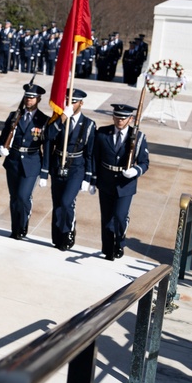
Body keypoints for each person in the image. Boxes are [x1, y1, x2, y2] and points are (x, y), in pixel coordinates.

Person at [92, 103, 149, 260]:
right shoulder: (103, 133)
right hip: (106, 181)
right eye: (117, 116)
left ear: (130, 119)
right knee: (107, 218)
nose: (119, 120)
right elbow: (95, 157)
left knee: (120, 216)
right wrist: (92, 179)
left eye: (123, 118)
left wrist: (135, 171)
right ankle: (109, 250)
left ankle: (120, 242)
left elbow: (145, 163)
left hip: (125, 184)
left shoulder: (138, 137)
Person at [42, 89, 96, 251]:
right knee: (57, 203)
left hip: (76, 168)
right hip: (58, 164)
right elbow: (48, 137)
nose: (70, 104)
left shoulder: (88, 124)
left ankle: (68, 232)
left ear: (81, 103)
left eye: (74, 102)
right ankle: (57, 236)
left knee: (66, 203)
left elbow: (90, 152)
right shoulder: (59, 119)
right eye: (68, 101)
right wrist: (63, 117)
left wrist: (88, 177)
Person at [0, 83, 48, 240]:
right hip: (13, 160)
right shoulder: (14, 116)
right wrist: (1, 147)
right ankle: (15, 229)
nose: (29, 100)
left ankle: (23, 226)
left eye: (32, 98)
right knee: (14, 198)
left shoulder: (43, 120)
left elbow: (46, 146)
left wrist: (45, 171)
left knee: (23, 197)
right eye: (27, 97)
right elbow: (5, 134)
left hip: (32, 162)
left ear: (38, 99)